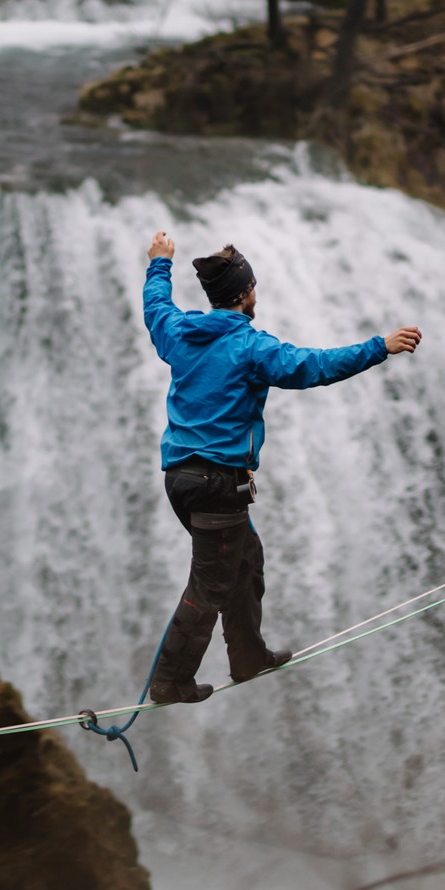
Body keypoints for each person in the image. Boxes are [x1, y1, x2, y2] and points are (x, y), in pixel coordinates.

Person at [144, 231, 422, 705]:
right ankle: (169, 681)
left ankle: (248, 656)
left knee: (245, 559)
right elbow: (314, 366)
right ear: (246, 292)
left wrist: (160, 264)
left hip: (181, 480)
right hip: (217, 483)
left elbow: (155, 305)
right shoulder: (251, 348)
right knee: (209, 584)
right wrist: (381, 346)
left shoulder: (179, 332)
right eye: (254, 286)